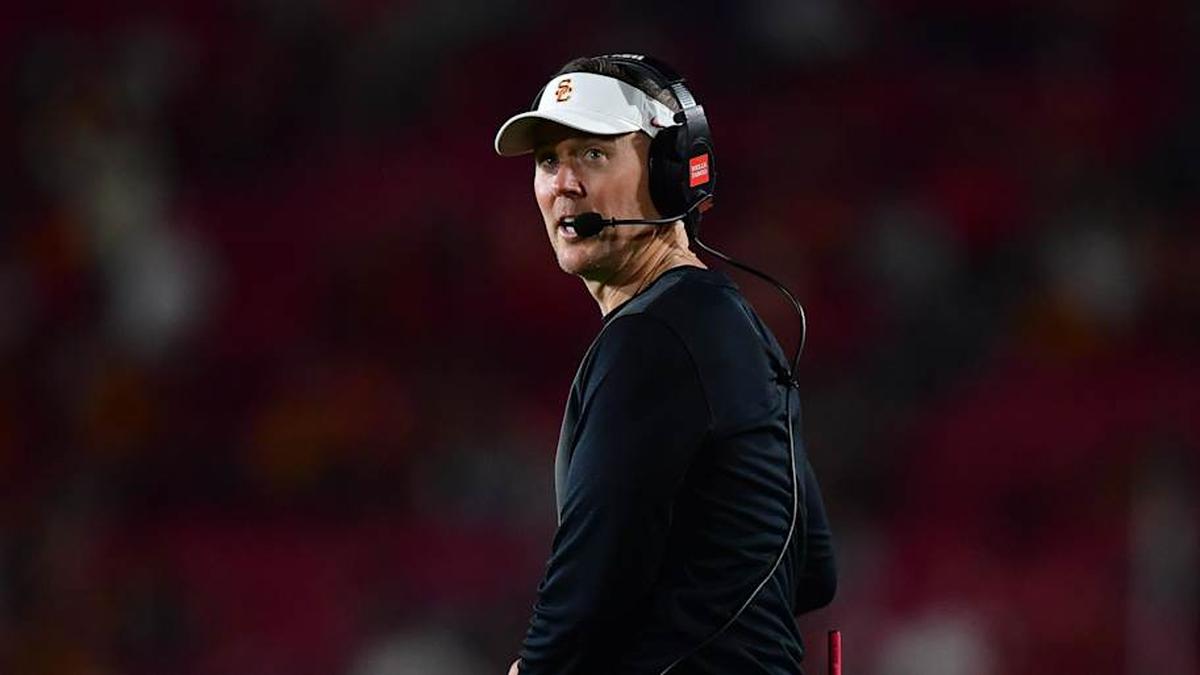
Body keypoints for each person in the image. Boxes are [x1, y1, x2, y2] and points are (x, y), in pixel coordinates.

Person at [493, 54, 836, 675]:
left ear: (675, 173)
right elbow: (813, 571)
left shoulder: (654, 339)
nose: (564, 183)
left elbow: (592, 575)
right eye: (549, 160)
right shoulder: (726, 323)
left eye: (593, 154)